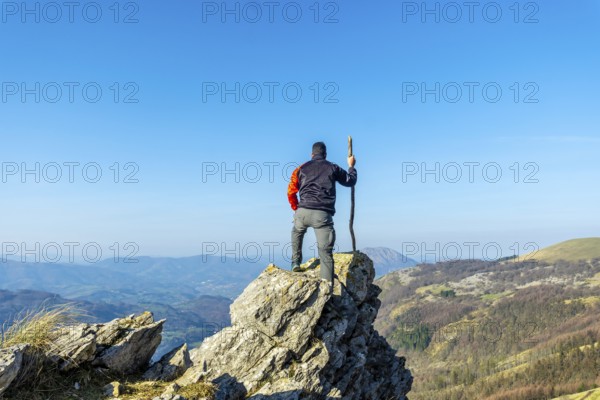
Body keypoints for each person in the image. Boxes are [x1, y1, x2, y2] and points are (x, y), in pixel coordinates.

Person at [287, 141, 357, 286]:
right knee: (325, 254)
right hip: (322, 215)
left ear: (312, 154)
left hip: (303, 211)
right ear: (325, 154)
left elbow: (291, 191)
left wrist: (297, 208)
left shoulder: (301, 169)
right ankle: (327, 289)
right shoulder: (332, 167)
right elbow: (350, 181)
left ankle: (295, 262)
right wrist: (351, 166)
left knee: (297, 231)